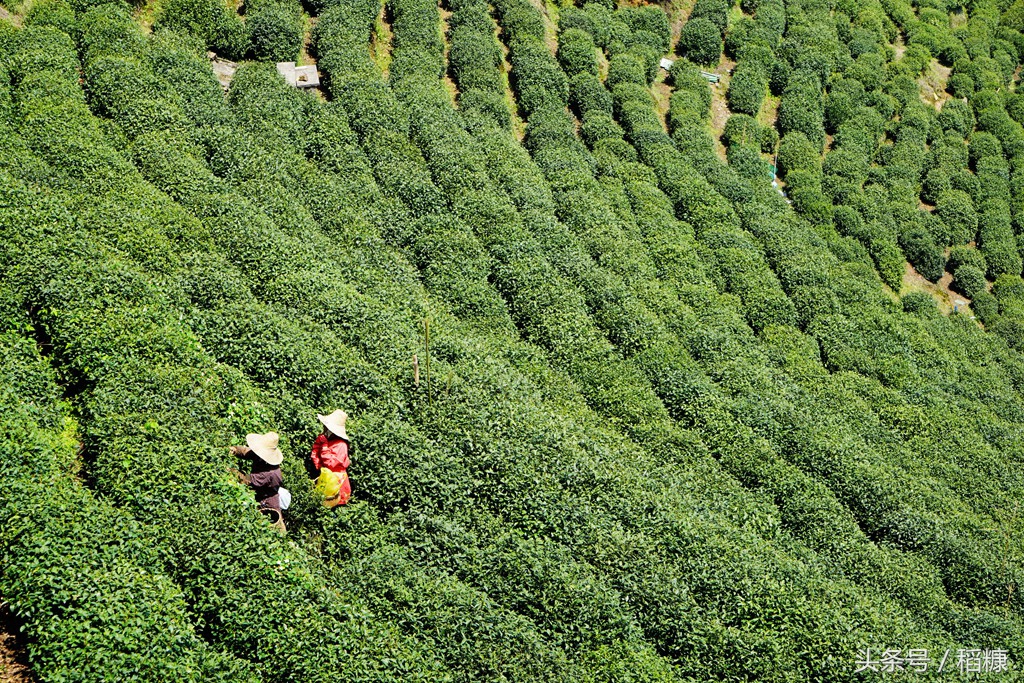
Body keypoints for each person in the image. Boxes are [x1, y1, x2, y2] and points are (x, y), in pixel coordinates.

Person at [230, 431, 286, 533]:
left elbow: (247, 480)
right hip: (260, 494)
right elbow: (247, 452)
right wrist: (235, 450)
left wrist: (232, 471)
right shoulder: (262, 455)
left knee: (273, 529)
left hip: (268, 502)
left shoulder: (270, 472)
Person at [308, 410, 351, 507]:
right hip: (326, 478)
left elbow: (331, 464)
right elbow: (315, 453)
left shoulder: (341, 445)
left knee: (336, 505)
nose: (324, 429)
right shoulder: (326, 440)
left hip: (338, 481)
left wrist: (324, 446)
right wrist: (318, 465)